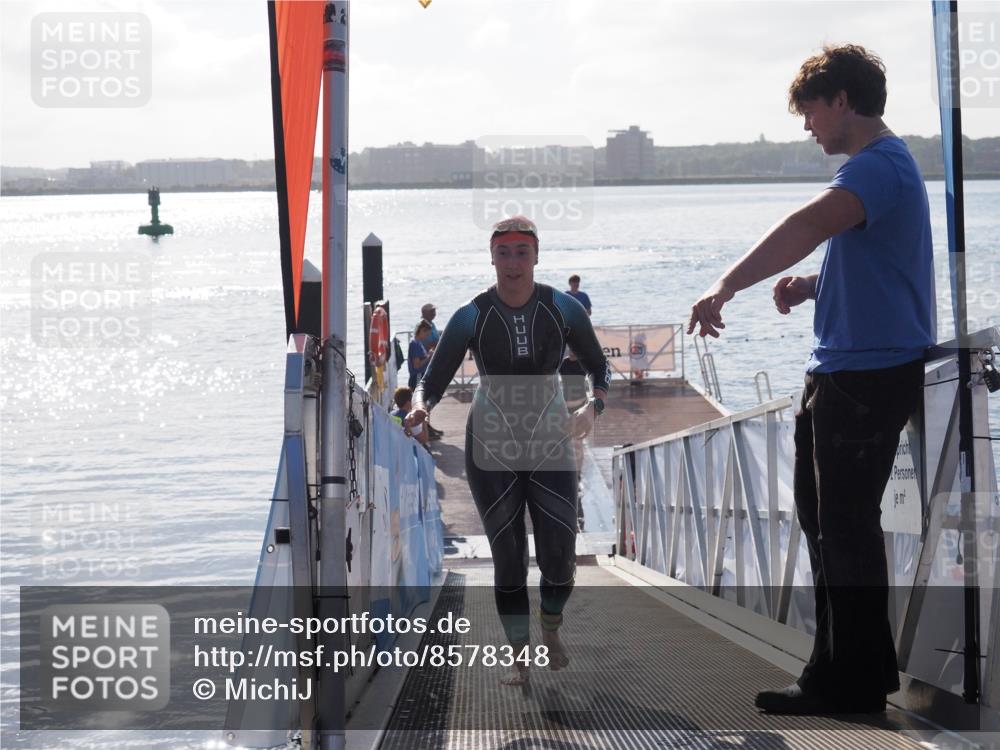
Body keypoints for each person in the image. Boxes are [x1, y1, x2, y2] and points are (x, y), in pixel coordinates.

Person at [687, 44, 934, 715]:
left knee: (844, 527)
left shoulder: (879, 166)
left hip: (867, 375)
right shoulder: (882, 171)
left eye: (812, 112)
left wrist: (726, 285)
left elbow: (806, 224)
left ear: (844, 102)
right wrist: (814, 284)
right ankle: (841, 671)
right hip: (848, 370)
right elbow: (884, 266)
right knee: (826, 524)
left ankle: (849, 683)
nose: (807, 127)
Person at [408, 216, 611, 686]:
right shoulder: (471, 315)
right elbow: (430, 382)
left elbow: (600, 370)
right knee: (509, 557)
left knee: (560, 556)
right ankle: (520, 656)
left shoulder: (563, 310)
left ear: (537, 255)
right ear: (492, 256)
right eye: (504, 252)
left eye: (523, 252)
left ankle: (551, 628)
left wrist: (591, 410)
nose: (513, 263)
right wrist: (420, 407)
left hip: (551, 438)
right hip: (491, 445)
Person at [407, 321, 432, 390]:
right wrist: (429, 356)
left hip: (418, 377)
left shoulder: (418, 343)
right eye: (427, 335)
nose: (427, 337)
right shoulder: (415, 344)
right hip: (417, 377)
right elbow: (417, 365)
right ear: (421, 330)